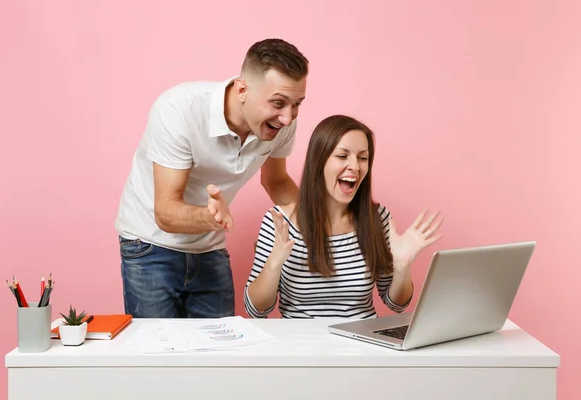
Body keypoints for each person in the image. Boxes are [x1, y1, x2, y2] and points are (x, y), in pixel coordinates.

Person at [115, 38, 309, 318]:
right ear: (242, 89)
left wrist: (320, 223)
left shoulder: (281, 124)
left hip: (210, 246)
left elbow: (276, 181)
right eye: (278, 103)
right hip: (149, 246)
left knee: (221, 355)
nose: (288, 118)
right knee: (157, 355)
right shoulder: (179, 110)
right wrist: (211, 219)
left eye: (297, 104)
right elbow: (166, 212)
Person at [244, 115, 443, 318]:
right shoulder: (279, 222)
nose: (355, 166)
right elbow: (256, 309)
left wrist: (402, 267)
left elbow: (397, 304)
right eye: (342, 156)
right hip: (302, 346)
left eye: (363, 158)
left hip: (363, 345)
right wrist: (275, 262)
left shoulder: (378, 219)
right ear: (318, 161)